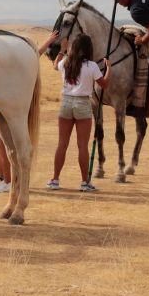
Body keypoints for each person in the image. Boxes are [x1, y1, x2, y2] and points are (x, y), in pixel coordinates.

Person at [45, 33, 111, 192]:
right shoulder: (92, 66)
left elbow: (55, 65)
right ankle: (84, 182)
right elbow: (104, 84)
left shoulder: (66, 62)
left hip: (66, 102)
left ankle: (55, 180)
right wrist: (109, 68)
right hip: (83, 104)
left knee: (62, 144)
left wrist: (62, 50)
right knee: (82, 146)